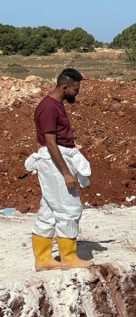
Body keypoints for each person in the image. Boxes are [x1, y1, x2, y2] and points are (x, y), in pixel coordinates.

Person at [25, 68, 92, 271]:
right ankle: (68, 256)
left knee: (50, 210)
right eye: (75, 89)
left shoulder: (56, 105)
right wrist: (66, 173)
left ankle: (43, 258)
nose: (77, 92)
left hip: (56, 159)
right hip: (54, 163)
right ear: (64, 86)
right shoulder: (49, 108)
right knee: (69, 208)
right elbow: (50, 142)